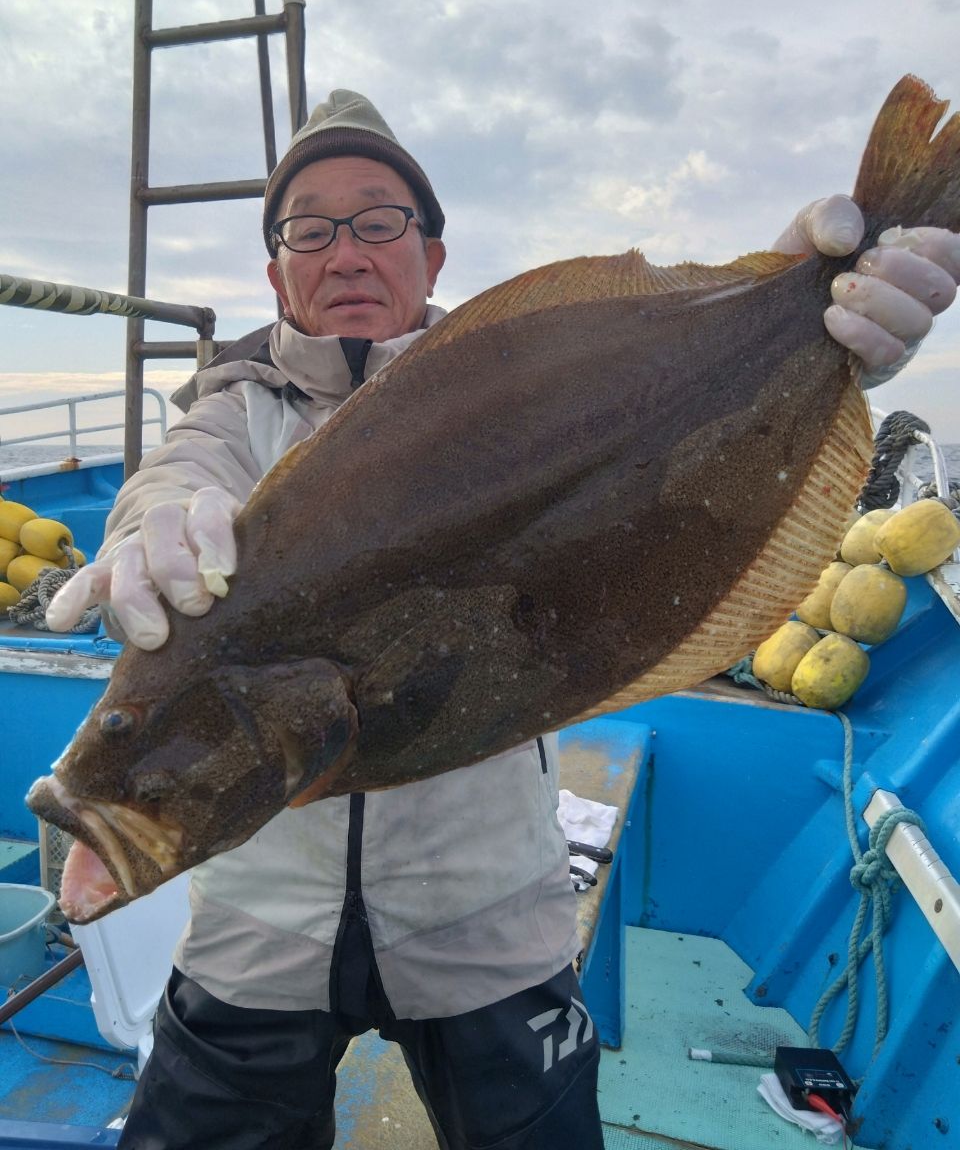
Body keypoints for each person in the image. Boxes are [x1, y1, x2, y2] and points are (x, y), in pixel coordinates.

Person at [48, 90, 960, 1149]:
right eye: (310, 227)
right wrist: (153, 525)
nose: (345, 251)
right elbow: (177, 479)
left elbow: (667, 431)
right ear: (276, 273)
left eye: (379, 220)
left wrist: (809, 319)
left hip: (486, 920)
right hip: (258, 933)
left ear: (433, 259)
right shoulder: (229, 414)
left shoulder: (526, 376)